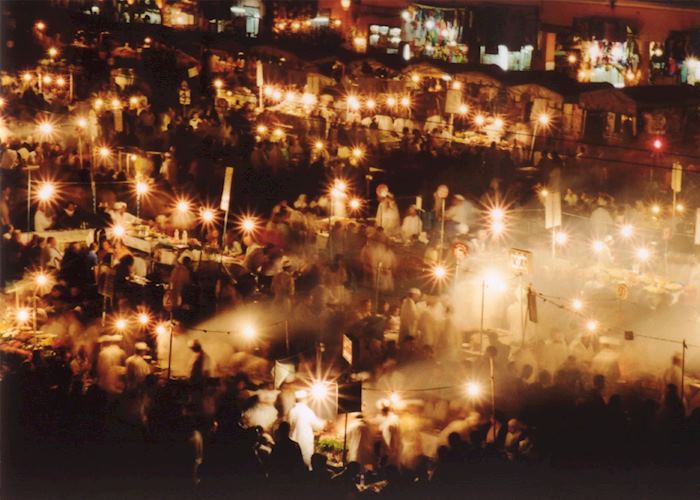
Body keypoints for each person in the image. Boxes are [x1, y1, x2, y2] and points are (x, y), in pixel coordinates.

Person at [289, 390, 325, 468]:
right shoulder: (307, 411)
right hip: (304, 443)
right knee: (306, 464)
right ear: (305, 399)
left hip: (293, 443)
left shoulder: (292, 411)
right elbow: (318, 426)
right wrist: (324, 420)